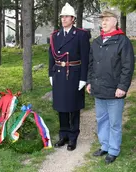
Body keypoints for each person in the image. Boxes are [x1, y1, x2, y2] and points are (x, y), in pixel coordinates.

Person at [86, 9, 135, 164]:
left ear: (115, 21)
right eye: (102, 20)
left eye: (107, 19)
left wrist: (122, 87)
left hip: (115, 90)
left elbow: (128, 67)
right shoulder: (97, 42)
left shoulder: (123, 41)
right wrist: (89, 82)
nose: (103, 23)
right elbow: (91, 64)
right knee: (101, 119)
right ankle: (105, 145)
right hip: (99, 88)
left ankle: (113, 149)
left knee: (114, 122)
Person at [48, 3, 90, 151]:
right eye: (62, 16)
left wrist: (83, 78)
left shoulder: (80, 34)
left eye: (66, 16)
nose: (63, 19)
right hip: (59, 74)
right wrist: (50, 73)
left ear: (73, 19)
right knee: (61, 107)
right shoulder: (55, 35)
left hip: (74, 74)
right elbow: (51, 56)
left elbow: (85, 57)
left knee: (73, 107)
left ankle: (73, 137)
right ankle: (63, 135)